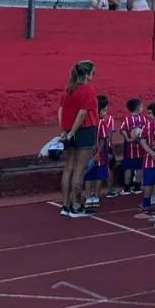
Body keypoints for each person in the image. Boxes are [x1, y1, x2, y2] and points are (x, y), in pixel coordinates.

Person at [57, 60, 100, 217]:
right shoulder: (87, 90)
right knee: (79, 170)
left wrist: (65, 130)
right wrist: (73, 131)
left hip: (70, 130)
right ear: (87, 74)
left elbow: (60, 110)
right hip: (84, 130)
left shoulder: (69, 89)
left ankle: (65, 205)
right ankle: (76, 206)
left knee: (69, 168)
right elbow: (83, 113)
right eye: (92, 73)